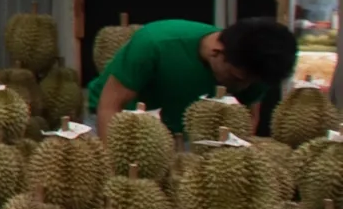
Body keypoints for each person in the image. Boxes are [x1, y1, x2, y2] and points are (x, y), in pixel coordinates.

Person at [93, 13, 295, 136]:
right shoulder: (155, 43)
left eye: (252, 82)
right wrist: (113, 166)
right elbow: (109, 107)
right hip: (119, 123)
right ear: (217, 52)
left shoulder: (256, 66)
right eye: (237, 78)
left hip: (183, 133)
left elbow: (248, 118)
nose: (243, 88)